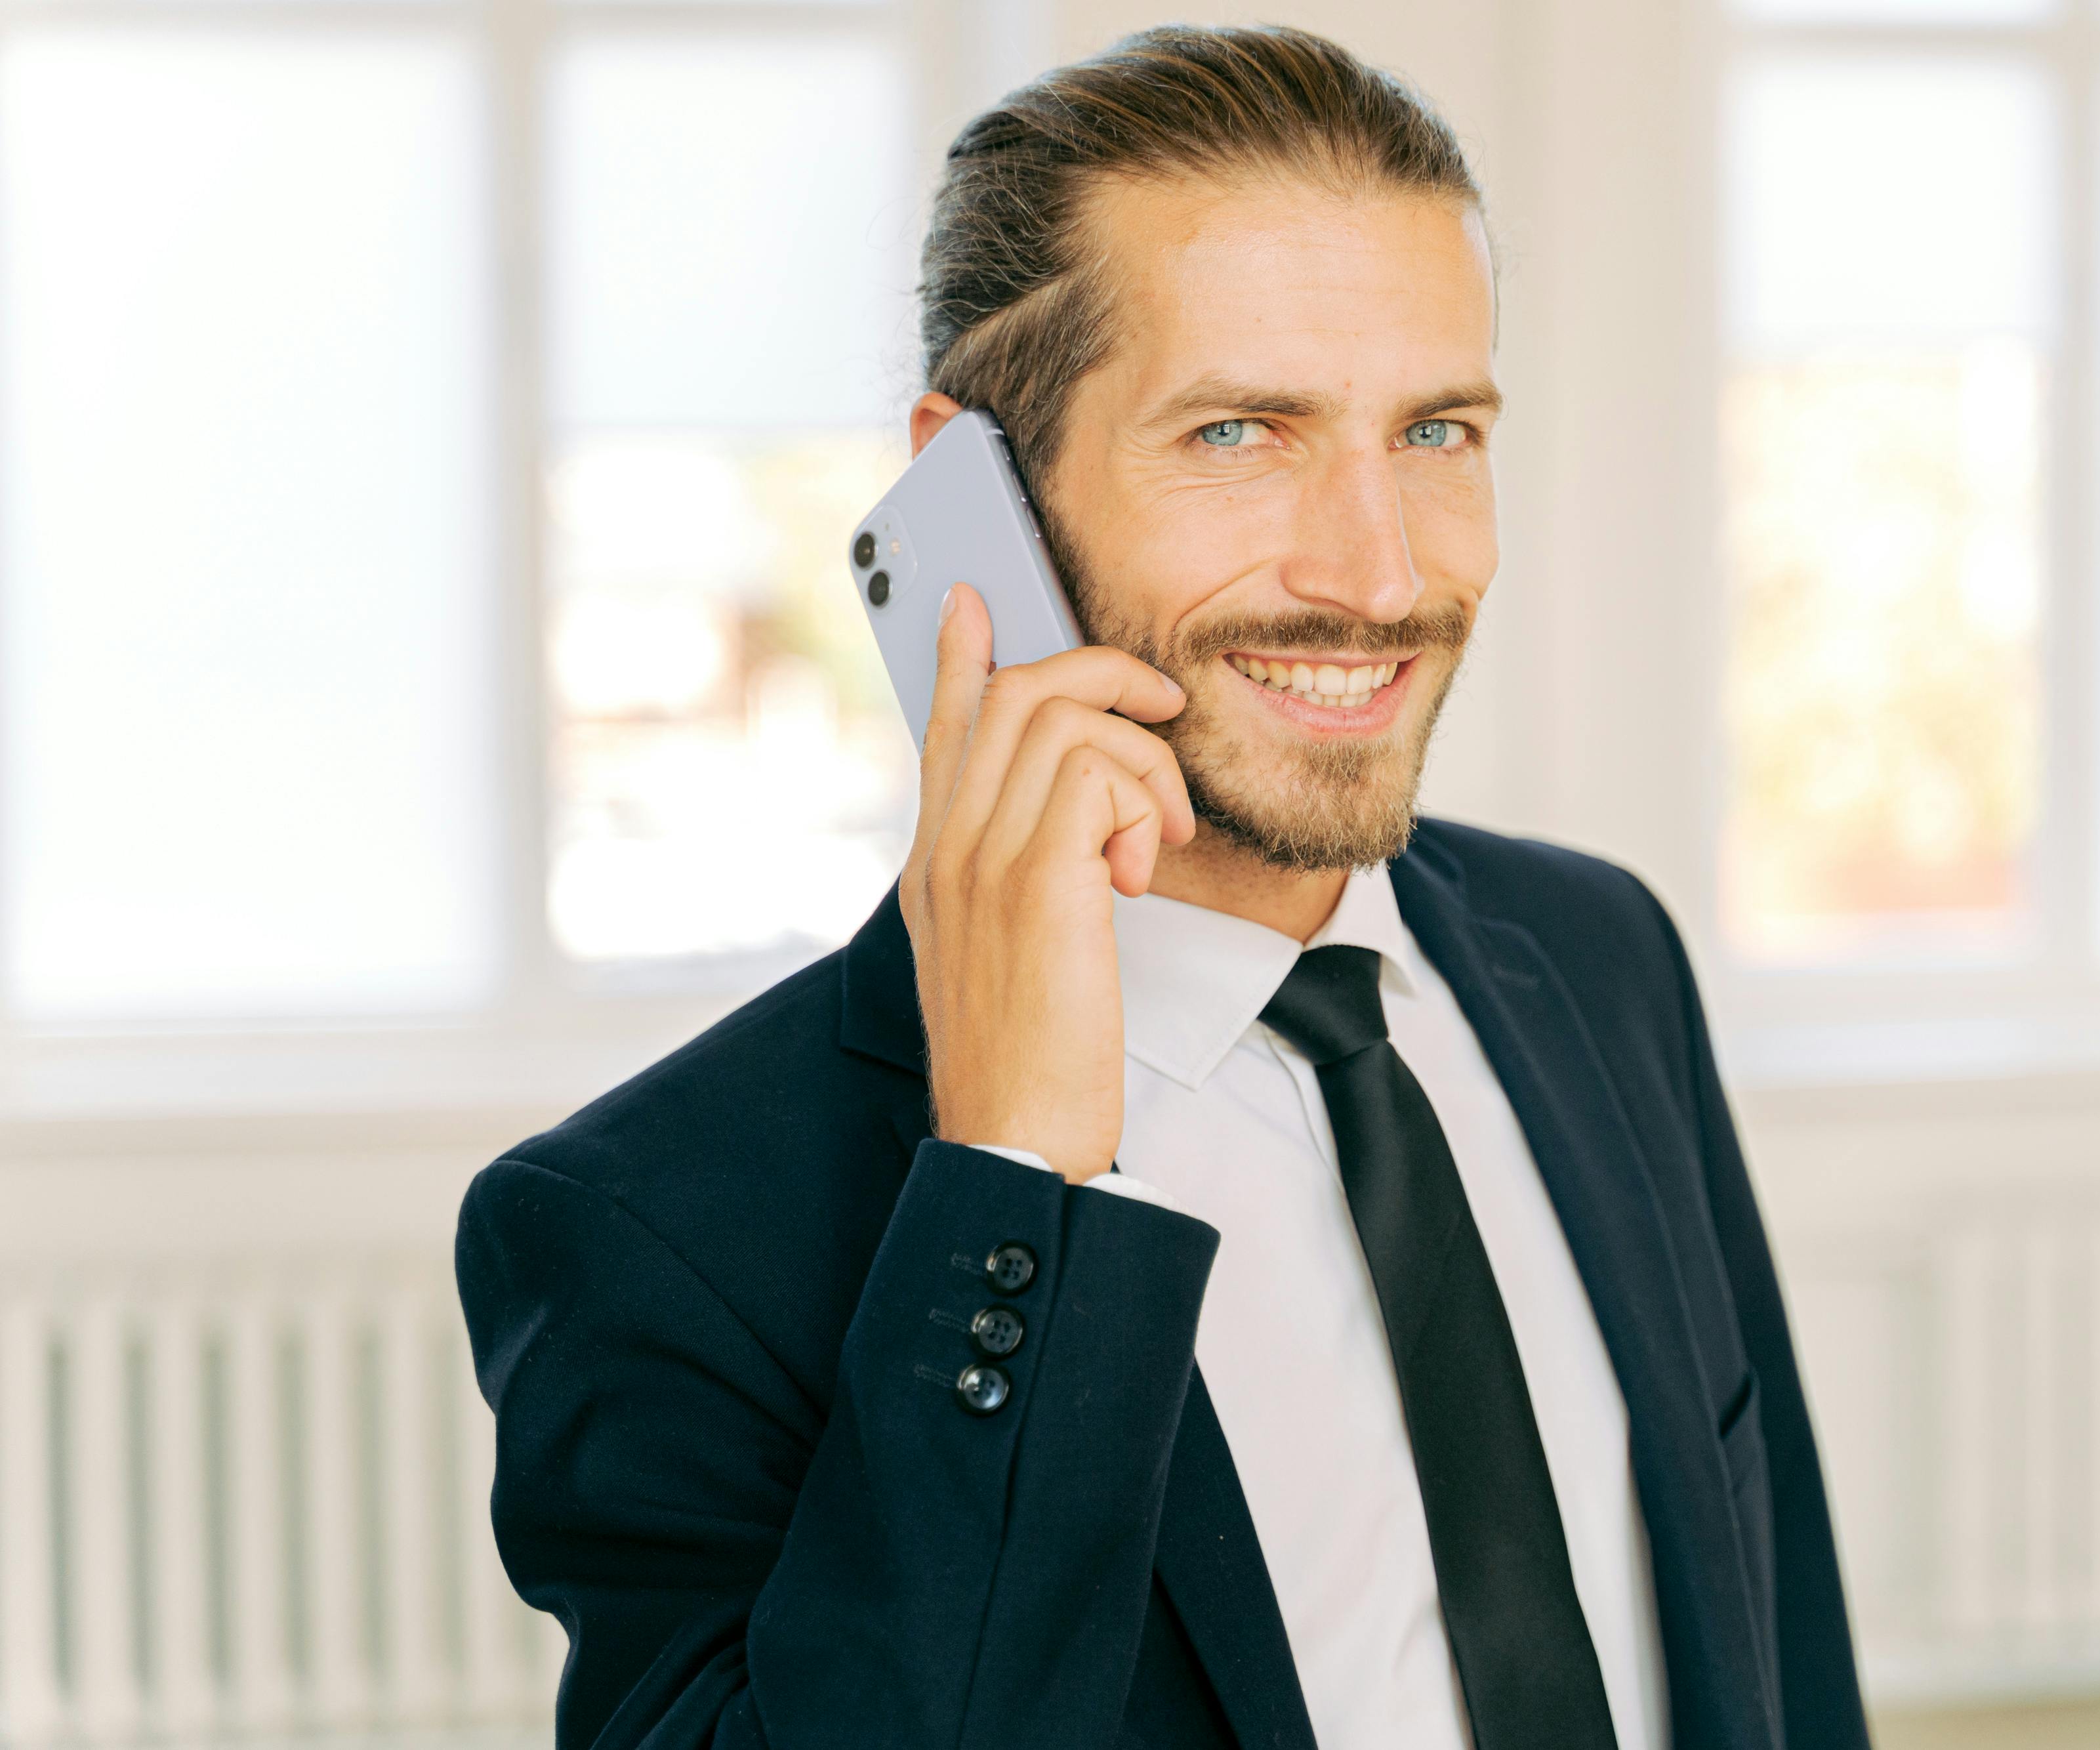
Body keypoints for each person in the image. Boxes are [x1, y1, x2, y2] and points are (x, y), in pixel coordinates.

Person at [455, 24, 1868, 1750]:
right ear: (969, 483)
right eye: (1239, 433)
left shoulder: (1601, 961)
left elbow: (1780, 1653)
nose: (1380, 571)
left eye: (1435, 428)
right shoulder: (659, 1225)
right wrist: (1009, 1181)